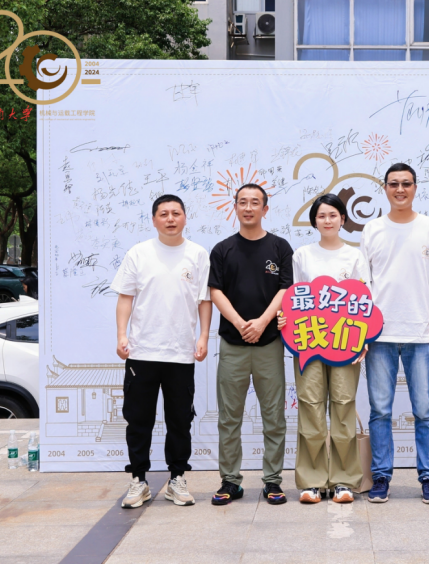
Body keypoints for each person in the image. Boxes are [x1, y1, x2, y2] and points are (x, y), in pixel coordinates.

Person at [112, 194, 212, 509]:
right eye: (164, 214)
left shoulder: (197, 254)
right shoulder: (139, 253)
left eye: (176, 213)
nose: (170, 219)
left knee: (180, 420)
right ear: (154, 219)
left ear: (185, 217)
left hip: (181, 353)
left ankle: (177, 479)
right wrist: (122, 335)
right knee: (138, 420)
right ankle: (138, 480)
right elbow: (125, 297)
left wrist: (203, 336)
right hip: (142, 352)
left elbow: (204, 300)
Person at [360, 163, 429, 504]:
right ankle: (381, 475)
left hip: (419, 332)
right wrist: (363, 331)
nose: (400, 189)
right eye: (394, 184)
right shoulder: (372, 229)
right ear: (385, 188)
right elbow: (364, 283)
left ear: (415, 188)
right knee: (380, 410)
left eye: (406, 184)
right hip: (379, 335)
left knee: (424, 410)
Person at [277, 194, 369, 504]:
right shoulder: (303, 255)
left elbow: (364, 301)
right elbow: (292, 298)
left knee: (343, 407)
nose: (327, 220)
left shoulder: (355, 256)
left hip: (345, 342)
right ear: (314, 221)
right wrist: (284, 319)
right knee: (310, 407)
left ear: (343, 219)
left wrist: (364, 339)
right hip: (308, 341)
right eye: (321, 216)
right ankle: (312, 481)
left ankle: (344, 481)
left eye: (333, 215)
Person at [208, 183, 293, 506]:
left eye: (254, 202)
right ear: (235, 207)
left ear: (265, 209)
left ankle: (273, 481)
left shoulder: (280, 247)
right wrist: (241, 324)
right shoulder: (223, 249)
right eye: (242, 202)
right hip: (233, 344)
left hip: (269, 343)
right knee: (229, 417)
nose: (248, 208)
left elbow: (285, 289)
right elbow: (215, 291)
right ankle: (230, 481)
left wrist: (261, 323)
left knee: (274, 416)